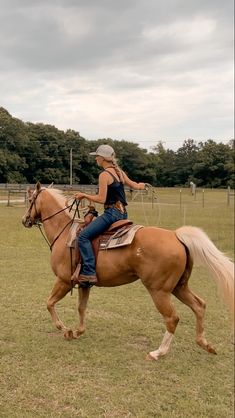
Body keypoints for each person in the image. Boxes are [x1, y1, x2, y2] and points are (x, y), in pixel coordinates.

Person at [72, 144, 148, 286]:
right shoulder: (119, 172)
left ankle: (88, 272)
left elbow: (101, 199)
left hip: (111, 214)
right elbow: (135, 185)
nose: (96, 160)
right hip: (123, 214)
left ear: (102, 158)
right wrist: (143, 185)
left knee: (82, 236)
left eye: (97, 157)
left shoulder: (104, 175)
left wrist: (84, 195)